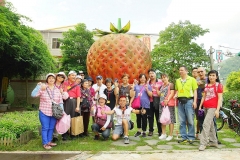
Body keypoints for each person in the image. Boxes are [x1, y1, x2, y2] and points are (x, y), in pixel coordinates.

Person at [31, 73, 63, 149]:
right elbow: (33, 94)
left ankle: (49, 141)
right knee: (45, 127)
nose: (51, 79)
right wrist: (38, 86)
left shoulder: (57, 90)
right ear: (47, 80)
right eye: (49, 78)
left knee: (51, 127)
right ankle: (45, 143)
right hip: (44, 111)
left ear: (55, 80)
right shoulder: (43, 88)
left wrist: (62, 111)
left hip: (54, 112)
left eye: (53, 78)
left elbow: (60, 101)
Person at [198, 70, 223, 151]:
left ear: (216, 77)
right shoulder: (206, 85)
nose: (211, 77)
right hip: (205, 107)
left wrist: (217, 110)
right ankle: (213, 141)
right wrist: (200, 106)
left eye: (213, 75)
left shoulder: (218, 85)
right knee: (211, 124)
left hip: (213, 107)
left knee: (205, 124)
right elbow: (203, 96)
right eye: (210, 75)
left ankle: (203, 143)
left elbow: (220, 99)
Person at [175, 66, 198, 144]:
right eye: (179, 70)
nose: (180, 71)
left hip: (189, 101)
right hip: (180, 102)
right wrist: (176, 95)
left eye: (182, 70)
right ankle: (183, 137)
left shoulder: (192, 79)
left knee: (190, 120)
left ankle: (191, 137)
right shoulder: (177, 81)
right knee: (182, 121)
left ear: (186, 71)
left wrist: (195, 102)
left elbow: (195, 91)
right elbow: (177, 90)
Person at [62, 71, 81, 140]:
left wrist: (78, 106)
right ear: (69, 76)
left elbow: (78, 96)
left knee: (73, 117)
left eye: (75, 75)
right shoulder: (64, 83)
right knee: (65, 118)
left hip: (74, 101)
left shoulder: (77, 85)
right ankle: (64, 134)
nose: (74, 77)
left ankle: (73, 134)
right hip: (66, 101)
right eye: (72, 75)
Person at [158, 73, 176, 141]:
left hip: (169, 104)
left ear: (168, 78)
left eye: (165, 77)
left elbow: (172, 93)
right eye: (162, 77)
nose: (163, 79)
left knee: (170, 119)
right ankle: (163, 133)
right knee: (163, 119)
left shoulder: (170, 85)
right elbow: (160, 94)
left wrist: (167, 100)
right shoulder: (162, 86)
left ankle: (170, 135)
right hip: (162, 104)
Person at [52, 71, 67, 142]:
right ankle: (54, 135)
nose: (60, 78)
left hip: (60, 103)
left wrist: (62, 92)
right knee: (53, 118)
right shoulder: (52, 84)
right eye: (59, 76)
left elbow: (66, 97)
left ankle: (63, 134)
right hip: (53, 103)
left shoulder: (64, 86)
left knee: (61, 118)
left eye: (62, 77)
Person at [148, 69, 163, 136]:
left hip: (158, 100)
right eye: (150, 73)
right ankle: (151, 130)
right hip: (150, 101)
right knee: (150, 116)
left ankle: (160, 131)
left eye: (152, 73)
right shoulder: (147, 82)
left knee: (158, 116)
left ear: (155, 74)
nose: (151, 74)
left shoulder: (160, 81)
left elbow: (163, 92)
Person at [195, 67, 207, 137]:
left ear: (205, 72)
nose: (200, 73)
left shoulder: (209, 79)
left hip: (208, 102)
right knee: (200, 120)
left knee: (210, 120)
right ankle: (202, 137)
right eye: (198, 72)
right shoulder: (196, 80)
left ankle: (214, 138)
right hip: (199, 101)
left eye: (201, 71)